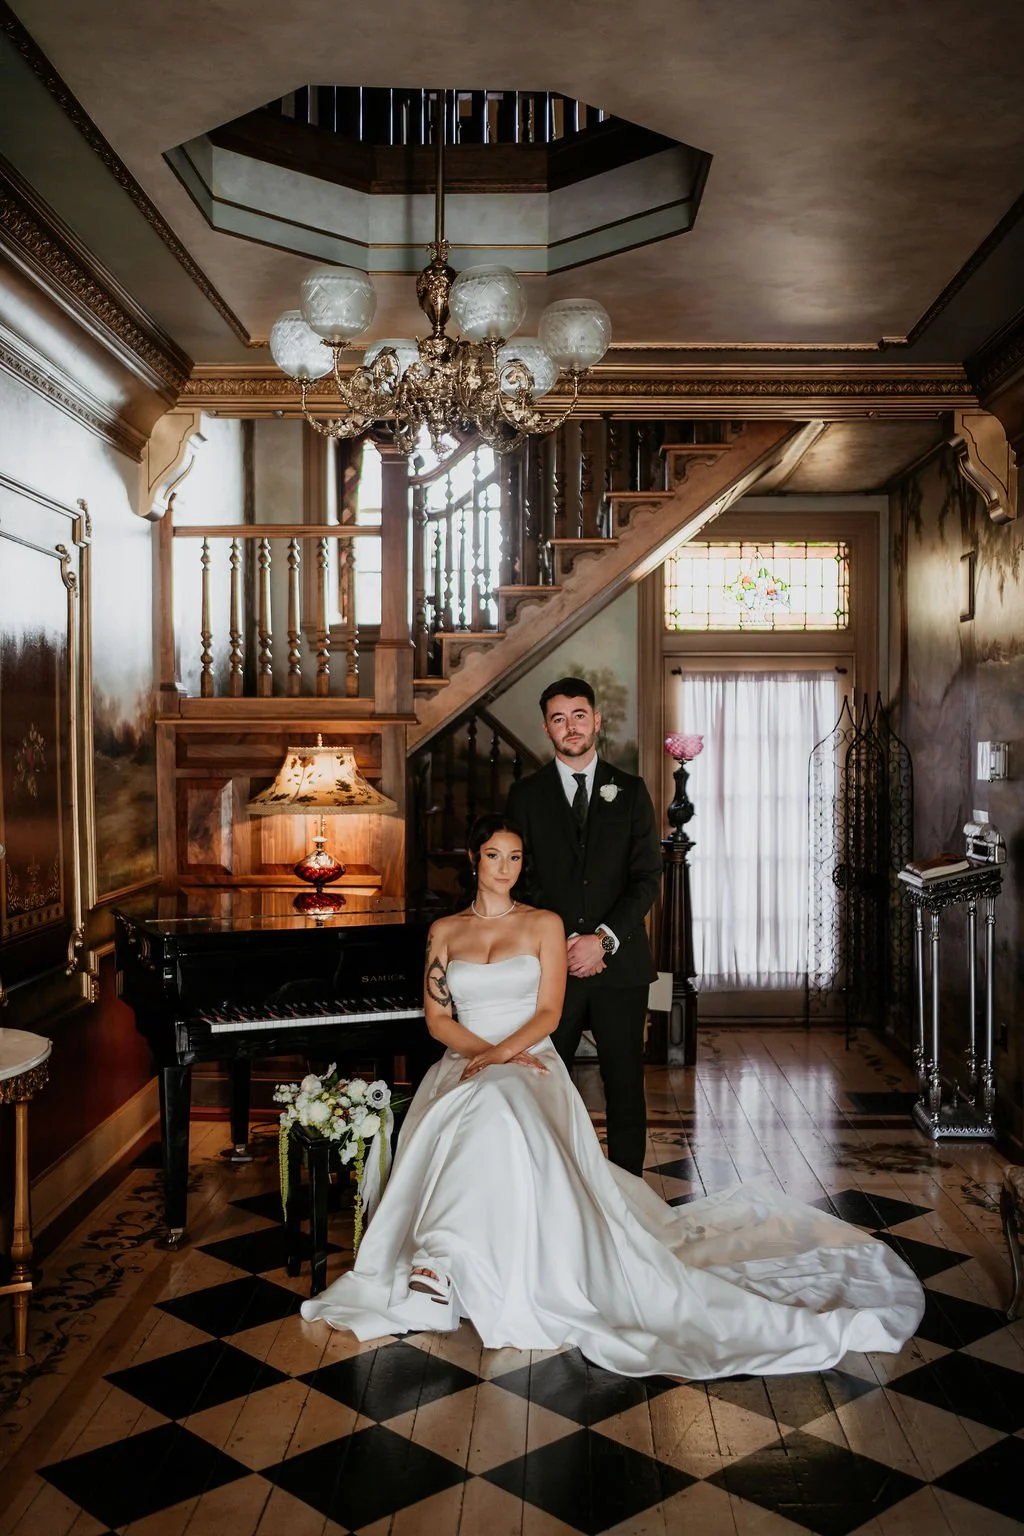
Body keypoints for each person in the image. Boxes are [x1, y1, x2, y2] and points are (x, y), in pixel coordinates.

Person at [300, 815, 924, 1380]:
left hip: (528, 1058)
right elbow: (437, 1021)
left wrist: (499, 1056)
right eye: (495, 855)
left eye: (516, 857)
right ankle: (441, 1264)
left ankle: (436, 1264)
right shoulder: (444, 931)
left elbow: (548, 1013)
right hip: (463, 1057)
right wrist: (478, 1055)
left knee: (495, 1104)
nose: (506, 867)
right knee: (473, 1106)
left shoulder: (543, 924)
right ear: (474, 858)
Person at [505, 676, 662, 1175]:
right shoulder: (525, 797)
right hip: (553, 967)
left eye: (578, 715)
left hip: (620, 965)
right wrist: (564, 942)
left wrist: (603, 940)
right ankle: (555, 1190)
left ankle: (630, 1195)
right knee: (546, 1081)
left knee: (624, 1085)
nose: (570, 726)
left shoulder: (632, 791)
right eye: (558, 718)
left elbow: (646, 879)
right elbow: (520, 879)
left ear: (596, 720)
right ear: (546, 729)